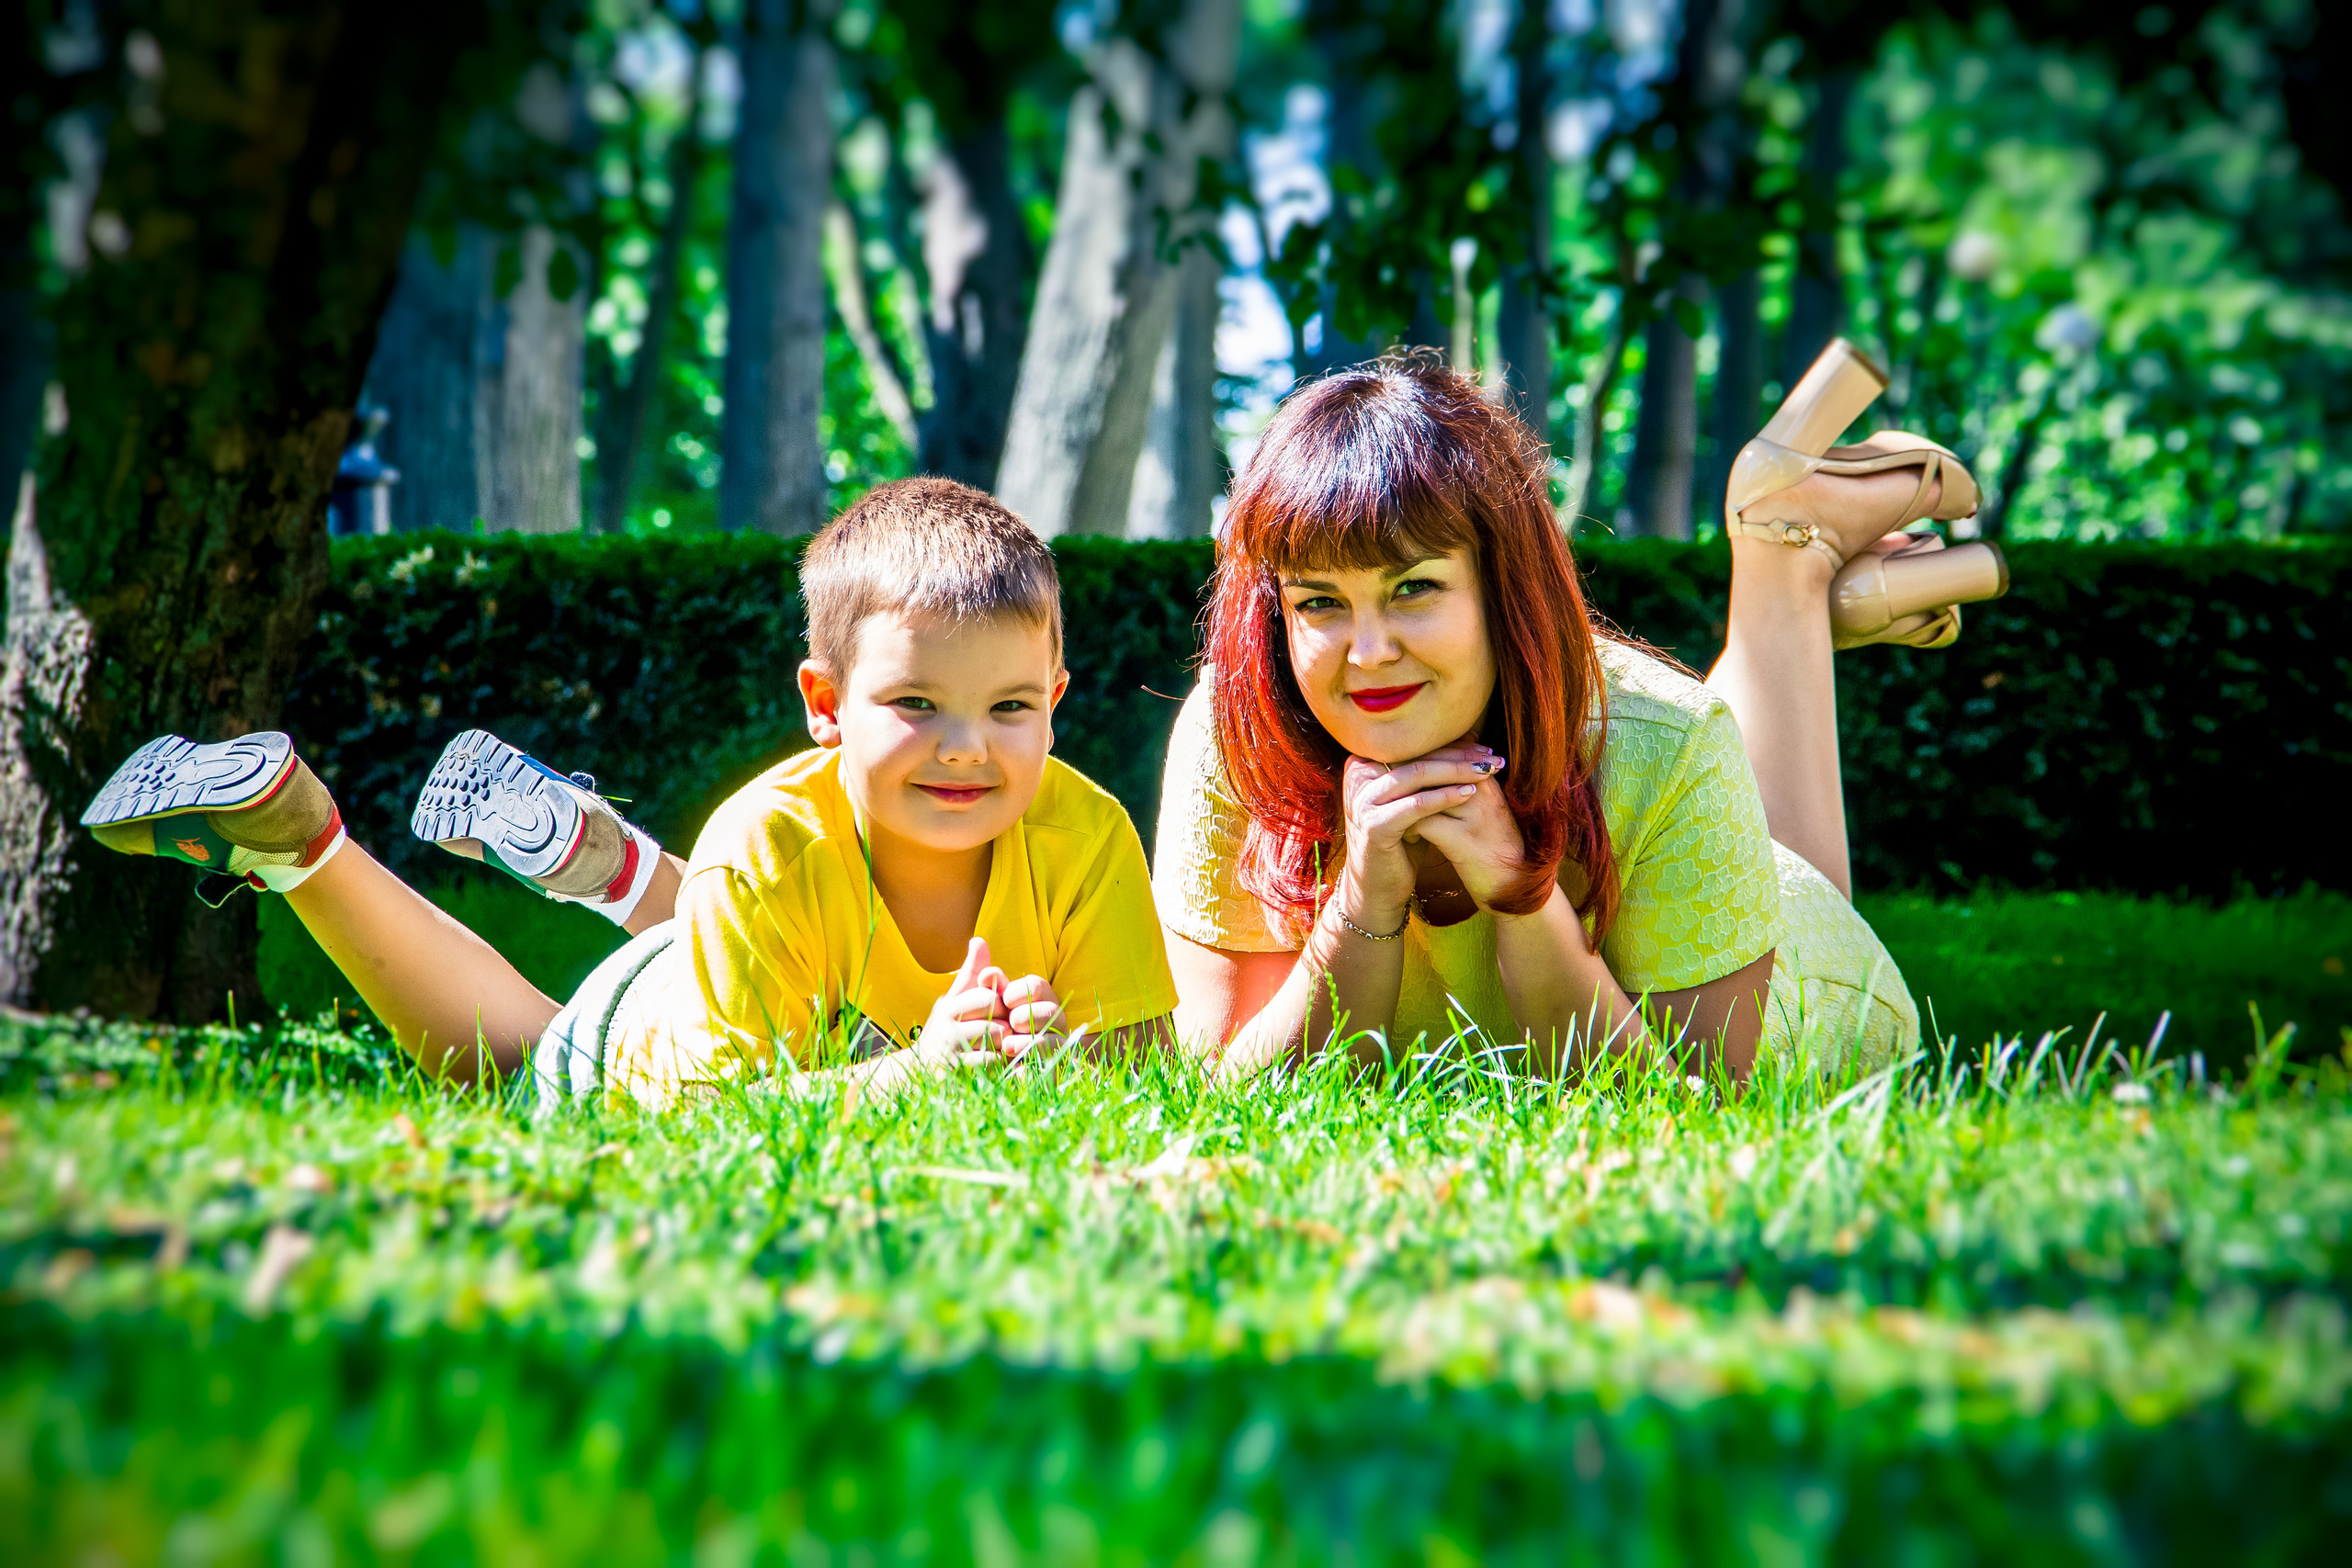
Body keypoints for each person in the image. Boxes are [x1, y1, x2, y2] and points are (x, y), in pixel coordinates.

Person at [81, 478, 1176, 1104]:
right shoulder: (768, 846)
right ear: (825, 704)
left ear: (1058, 698)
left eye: (1010, 709)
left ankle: (610, 863)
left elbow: (1145, 1084)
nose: (965, 750)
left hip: (770, 971)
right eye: (916, 706)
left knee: (772, 944)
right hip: (655, 1029)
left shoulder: (1086, 833)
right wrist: (927, 1075)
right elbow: (713, 1127)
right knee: (506, 1058)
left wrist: (1057, 1066)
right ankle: (302, 843)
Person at [1152, 344, 2007, 1080]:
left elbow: (1700, 1117)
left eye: (1414, 588)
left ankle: (1789, 556)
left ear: (1502, 590)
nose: (1368, 653)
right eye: (1319, 604)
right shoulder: (1238, 736)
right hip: (1661, 781)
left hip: (1794, 971)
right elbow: (1225, 1086)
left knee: (1686, 761)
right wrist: (1359, 906)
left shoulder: (1666, 737)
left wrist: (1522, 896)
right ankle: (1792, 564)